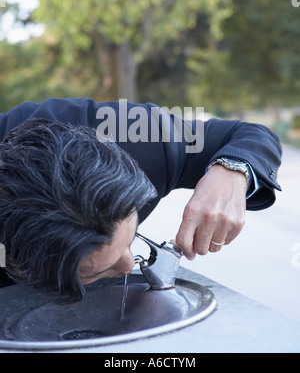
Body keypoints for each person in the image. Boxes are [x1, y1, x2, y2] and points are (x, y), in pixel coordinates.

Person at [0, 98, 282, 303]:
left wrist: (232, 171)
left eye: (131, 234)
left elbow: (252, 134)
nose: (128, 265)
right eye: (100, 268)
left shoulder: (140, 136)